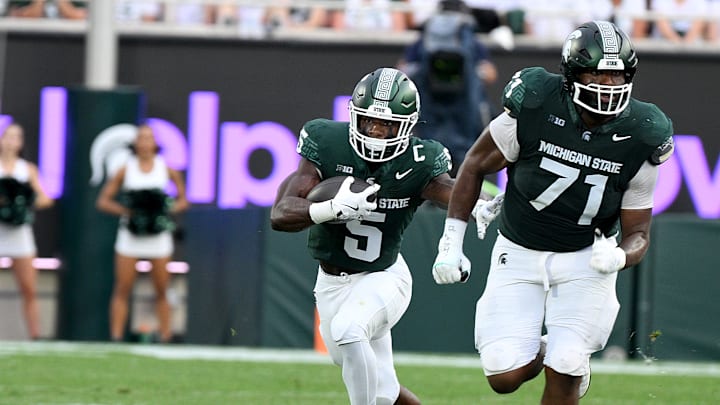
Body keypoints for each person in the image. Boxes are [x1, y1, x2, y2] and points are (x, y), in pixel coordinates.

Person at [432, 21, 674, 404]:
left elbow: (639, 231)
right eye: (597, 72)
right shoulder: (536, 101)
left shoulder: (643, 131)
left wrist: (618, 255)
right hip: (520, 248)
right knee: (504, 376)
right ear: (571, 73)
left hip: (585, 257)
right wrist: (451, 242)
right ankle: (549, 350)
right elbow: (476, 164)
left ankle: (568, 357)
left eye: (617, 74)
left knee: (567, 362)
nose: (607, 85)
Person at [271, 67, 502, 405]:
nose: (377, 132)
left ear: (406, 127)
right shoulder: (327, 142)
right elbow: (280, 213)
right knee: (383, 393)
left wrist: (482, 204)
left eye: (387, 125)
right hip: (331, 284)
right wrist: (330, 208)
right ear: (355, 118)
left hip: (384, 277)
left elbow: (453, 190)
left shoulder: (420, 160)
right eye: (369, 122)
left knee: (350, 332)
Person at [96, 124, 189, 343]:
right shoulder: (125, 169)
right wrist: (129, 210)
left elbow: (183, 200)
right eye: (141, 138)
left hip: (157, 236)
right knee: (123, 287)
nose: (145, 142)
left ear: (155, 143)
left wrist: (164, 210)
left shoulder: (166, 169)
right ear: (135, 143)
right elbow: (103, 201)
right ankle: (117, 336)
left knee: (161, 288)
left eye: (149, 138)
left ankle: (165, 335)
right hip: (131, 235)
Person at [397, 0, 498, 175]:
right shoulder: (472, 42)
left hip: (431, 109)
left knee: (430, 159)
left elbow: (402, 71)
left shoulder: (422, 41)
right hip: (463, 111)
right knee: (466, 165)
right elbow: (490, 74)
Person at [0, 123, 54, 340]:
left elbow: (45, 198)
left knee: (29, 288)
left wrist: (21, 202)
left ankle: (35, 335)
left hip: (19, 233)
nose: (11, 141)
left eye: (16, 137)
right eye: (8, 136)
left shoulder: (27, 169)